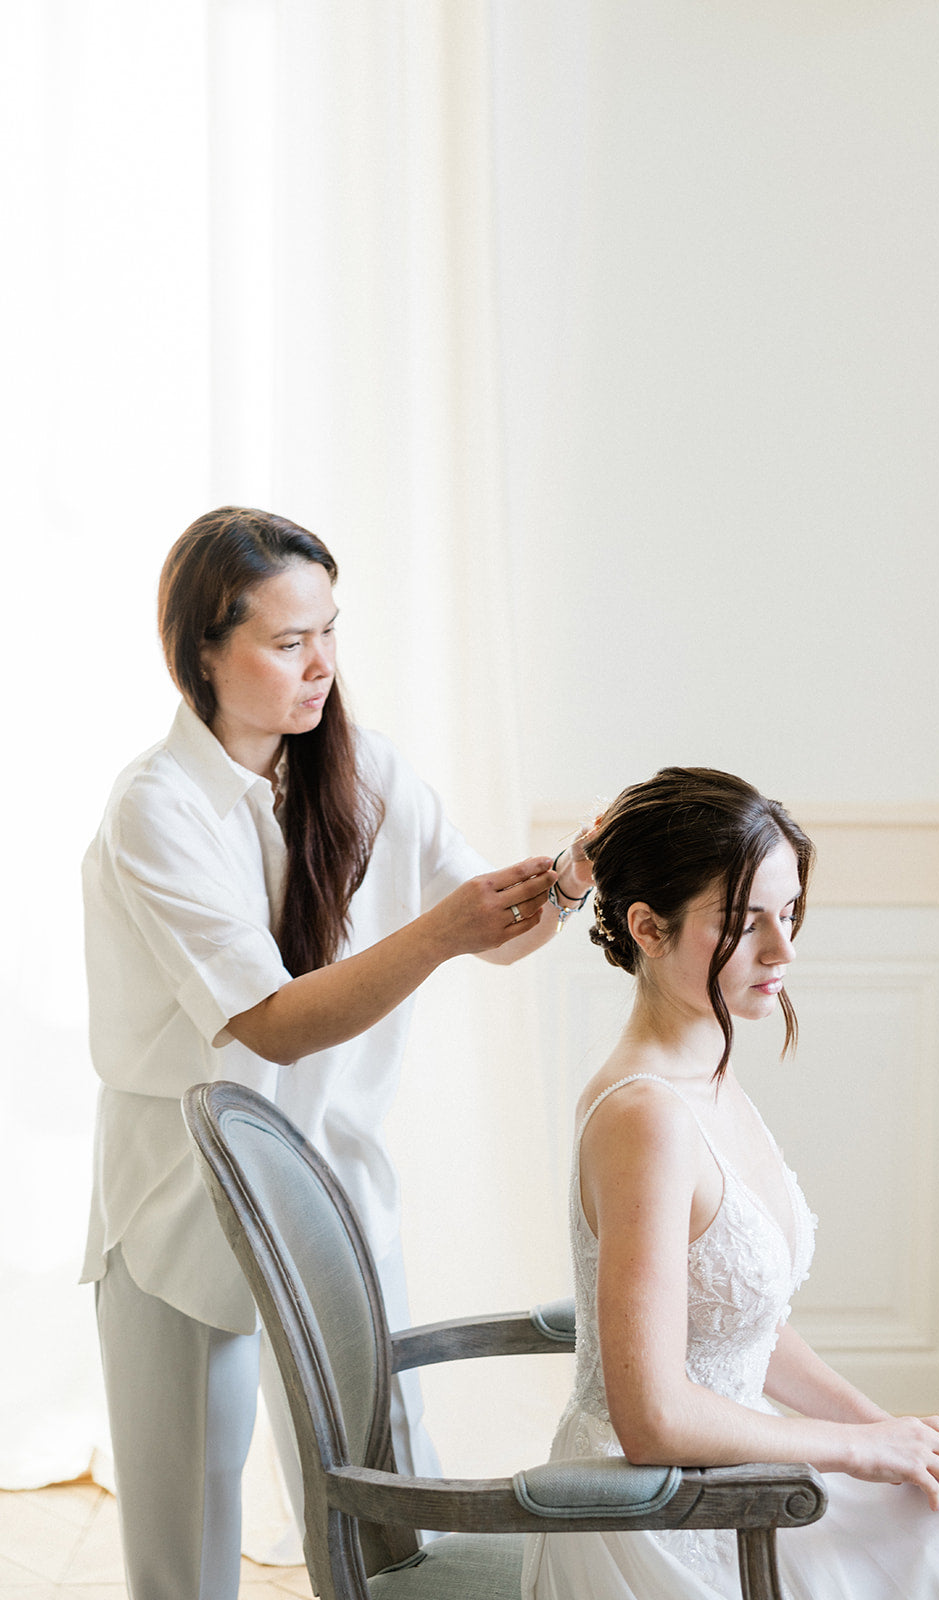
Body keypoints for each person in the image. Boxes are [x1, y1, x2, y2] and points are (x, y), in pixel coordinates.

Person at [81, 506, 593, 1600]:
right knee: (184, 1536)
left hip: (326, 1182)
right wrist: (442, 928)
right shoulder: (155, 809)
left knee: (379, 1498)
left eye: (329, 632)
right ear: (200, 653)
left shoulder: (363, 775)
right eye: (286, 641)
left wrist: (571, 876)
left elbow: (497, 932)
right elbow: (269, 1019)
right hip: (173, 1189)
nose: (321, 666)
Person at [522, 767, 939, 1600]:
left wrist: (888, 1430)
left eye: (788, 915)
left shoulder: (706, 1073)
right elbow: (649, 1417)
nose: (783, 951)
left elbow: (742, 1329)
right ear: (647, 928)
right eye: (744, 926)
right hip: (658, 1510)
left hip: (736, 1466)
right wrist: (859, 1450)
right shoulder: (645, 1115)